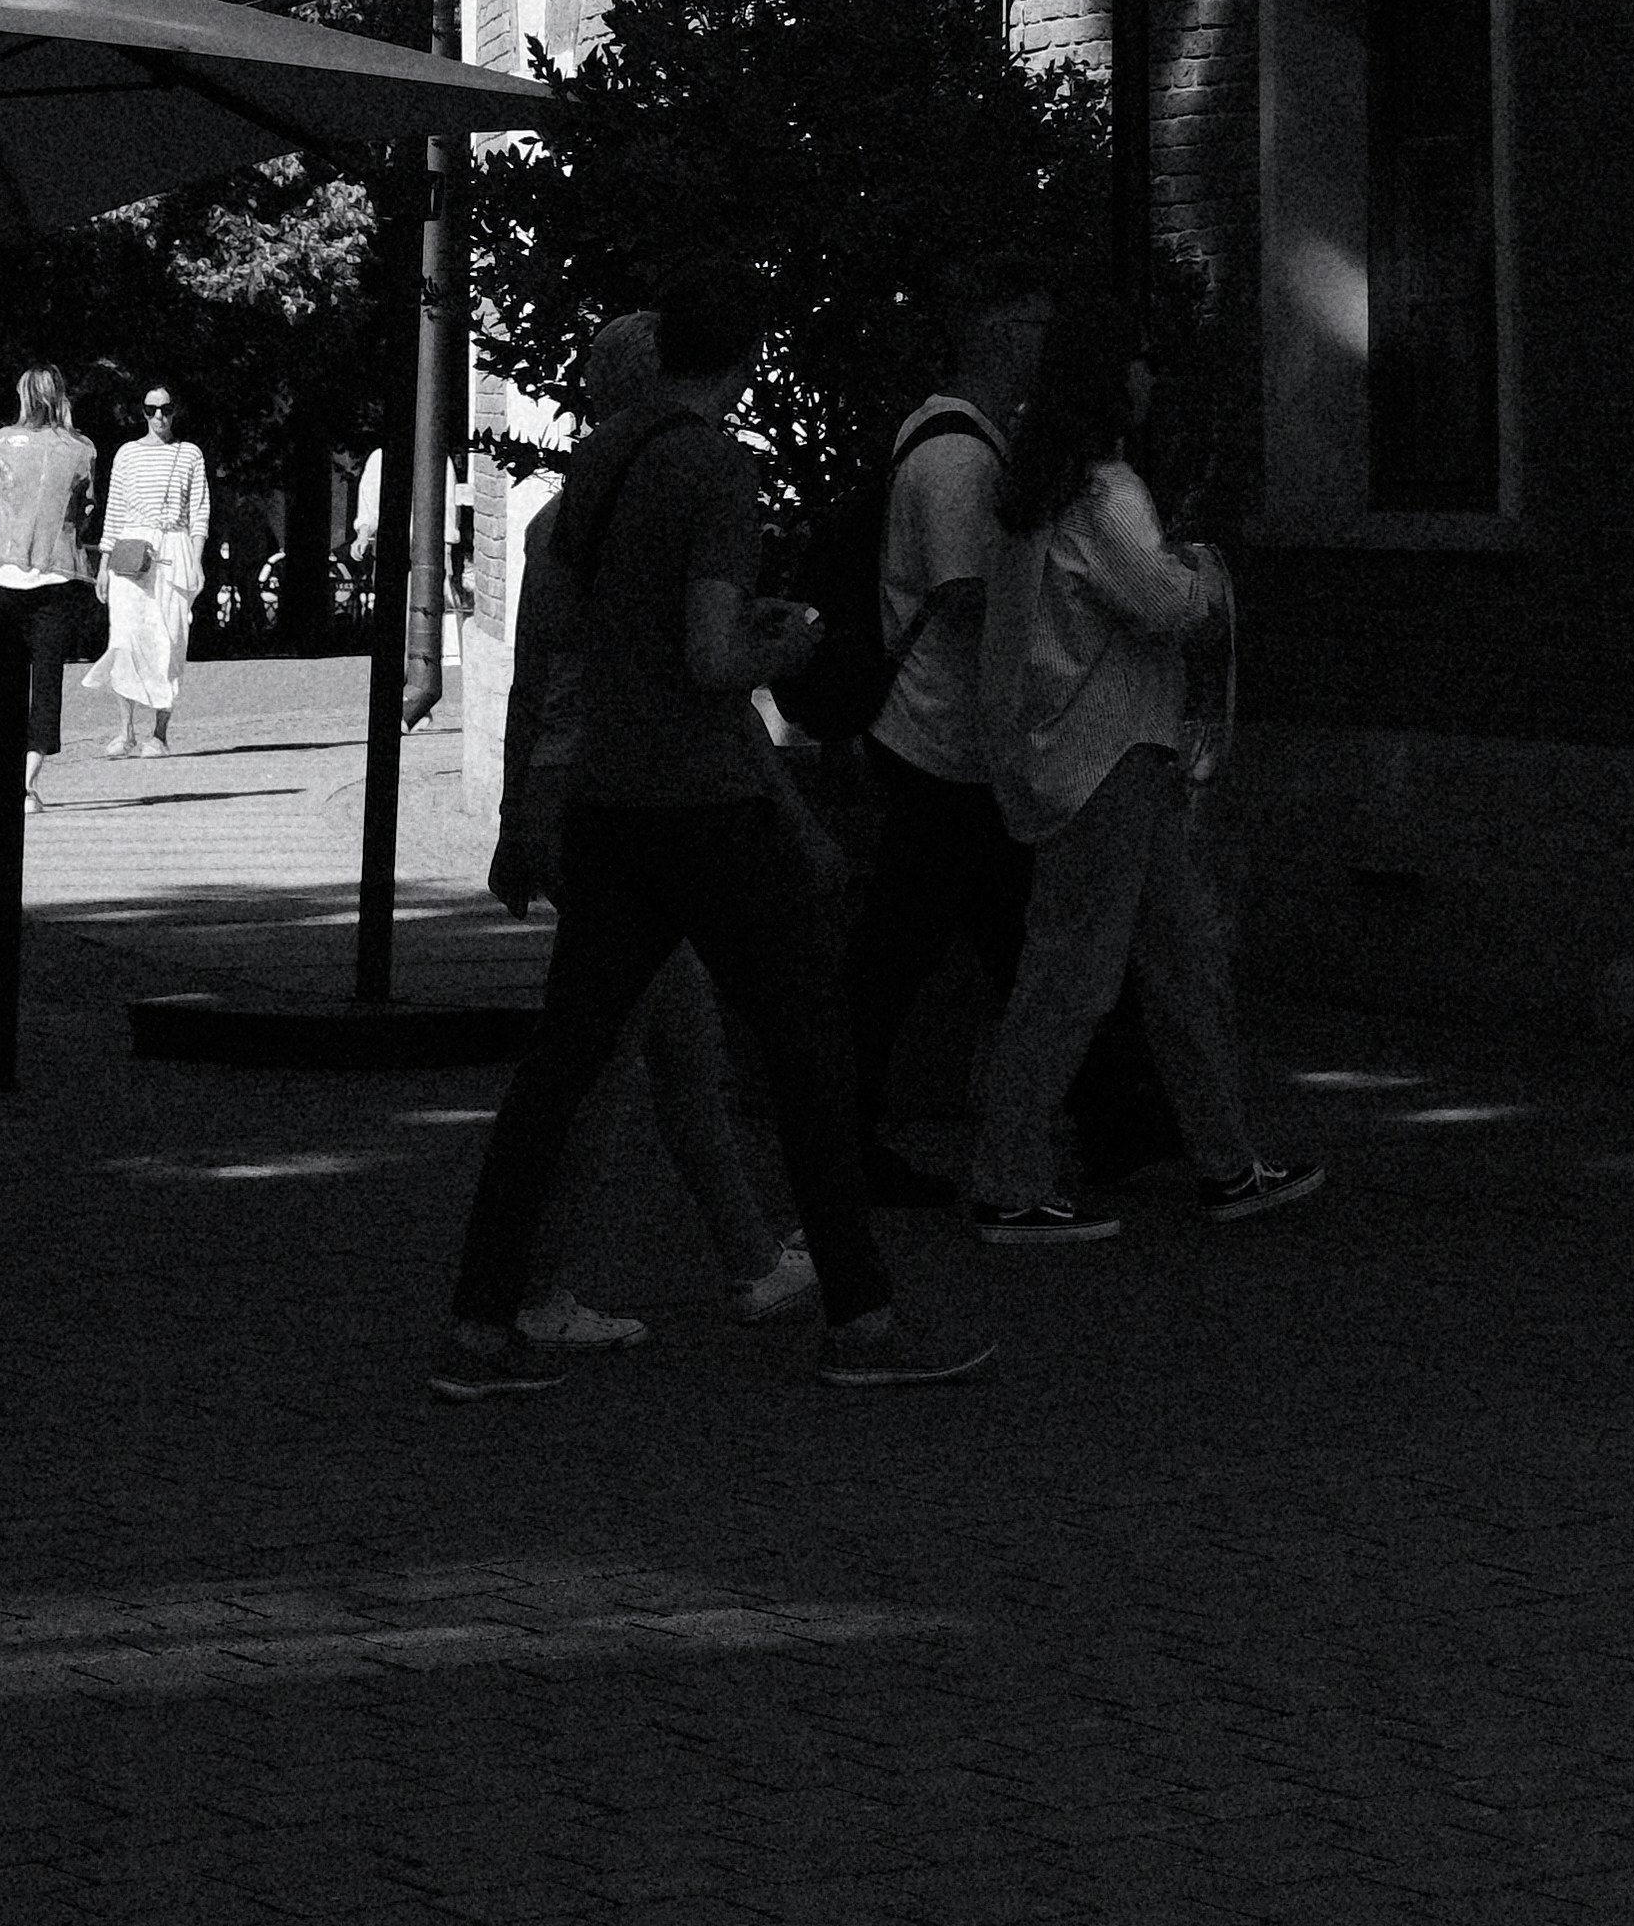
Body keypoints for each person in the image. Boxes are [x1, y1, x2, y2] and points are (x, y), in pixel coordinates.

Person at [444, 259, 987, 1397]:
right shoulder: (712, 469)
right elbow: (706, 656)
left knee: (559, 1069)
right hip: (700, 804)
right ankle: (863, 1321)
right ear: (742, 359)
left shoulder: (593, 466)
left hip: (607, 801)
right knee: (805, 1052)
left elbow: (591, 638)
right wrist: (778, 647)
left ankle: (481, 1324)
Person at [968, 286, 1319, 1245]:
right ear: (1110, 374)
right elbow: (1163, 601)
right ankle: (1011, 1177)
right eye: (1140, 358)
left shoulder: (1038, 490)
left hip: (1086, 750)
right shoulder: (1106, 487)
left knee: (1170, 957)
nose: (1150, 377)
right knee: (1092, 971)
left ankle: (1223, 1159)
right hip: (1116, 752)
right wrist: (1204, 575)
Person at [492, 313, 815, 1346]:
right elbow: (695, 676)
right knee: (612, 1052)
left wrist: (513, 808)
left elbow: (531, 674)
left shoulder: (562, 518)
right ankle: (533, 1286)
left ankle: (747, 1255)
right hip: (629, 796)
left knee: (677, 1040)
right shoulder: (659, 507)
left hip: (575, 787)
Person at [842, 259, 1051, 1199]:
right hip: (944, 739)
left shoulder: (936, 436)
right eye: (1038, 329)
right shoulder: (964, 457)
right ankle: (847, 1134)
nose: (1050, 349)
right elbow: (970, 597)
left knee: (980, 941)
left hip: (942, 738)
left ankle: (1121, 1113)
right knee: (922, 949)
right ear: (1004, 335)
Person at [0, 366, 101, 802]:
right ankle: (27, 785)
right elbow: (85, 515)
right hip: (59, 573)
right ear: (61, 396)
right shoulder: (82, 449)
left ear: (22, 396)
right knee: (45, 681)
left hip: (0, 571)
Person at [96, 386, 208, 753]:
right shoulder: (126, 454)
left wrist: (196, 559)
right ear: (141, 412)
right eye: (150, 409)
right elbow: (114, 511)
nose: (159, 417)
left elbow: (198, 513)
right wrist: (103, 563)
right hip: (131, 549)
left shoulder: (189, 453)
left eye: (166, 409)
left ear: (176, 411)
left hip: (174, 549)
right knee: (125, 639)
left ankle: (159, 732)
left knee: (170, 638)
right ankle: (125, 729)